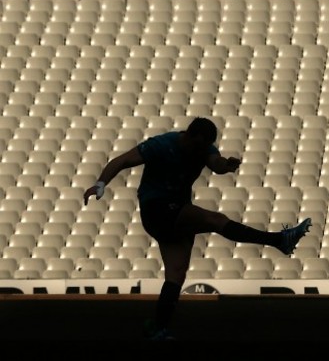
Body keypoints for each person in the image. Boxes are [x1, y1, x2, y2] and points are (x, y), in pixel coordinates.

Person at [83, 117, 311, 340]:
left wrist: (226, 166)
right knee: (215, 220)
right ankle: (279, 240)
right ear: (188, 135)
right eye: (196, 145)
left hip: (175, 214)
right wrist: (101, 183)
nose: (198, 150)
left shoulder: (203, 149)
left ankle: (158, 328)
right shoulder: (162, 144)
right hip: (156, 208)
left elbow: (215, 163)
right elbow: (122, 161)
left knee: (176, 274)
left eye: (203, 147)